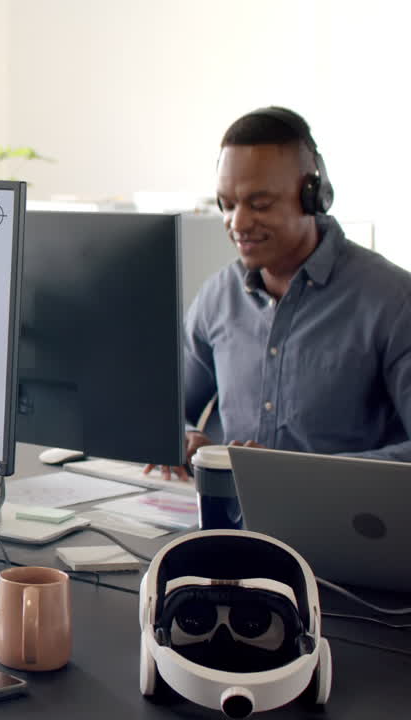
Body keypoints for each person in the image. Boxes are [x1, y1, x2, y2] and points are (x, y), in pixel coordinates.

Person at [148, 107, 411, 479]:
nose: (237, 223)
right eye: (227, 204)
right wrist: (186, 437)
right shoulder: (219, 296)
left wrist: (293, 472)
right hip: (226, 517)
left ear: (312, 196)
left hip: (338, 525)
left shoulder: (393, 301)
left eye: (259, 204)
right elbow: (167, 406)